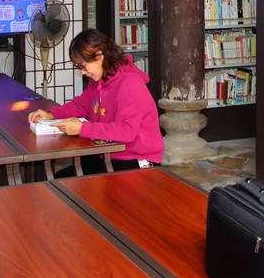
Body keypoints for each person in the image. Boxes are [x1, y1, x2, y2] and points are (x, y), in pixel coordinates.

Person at [27, 28, 163, 176]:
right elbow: (80, 106)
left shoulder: (130, 84)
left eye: (82, 65)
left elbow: (127, 131)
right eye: (78, 67)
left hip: (136, 158)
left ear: (99, 55)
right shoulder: (100, 79)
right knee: (61, 178)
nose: (82, 72)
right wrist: (50, 115)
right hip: (107, 152)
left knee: (78, 184)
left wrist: (82, 128)